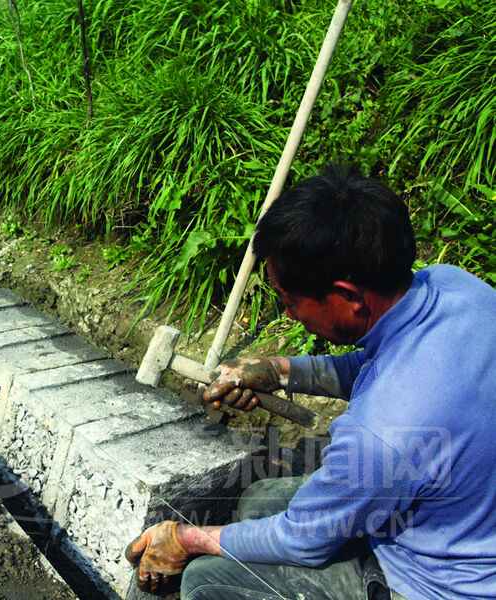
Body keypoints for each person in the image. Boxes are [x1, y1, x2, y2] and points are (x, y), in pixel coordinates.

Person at [125, 165, 496, 599]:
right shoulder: (456, 288)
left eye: (291, 301)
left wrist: (187, 539)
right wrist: (280, 370)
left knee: (207, 580)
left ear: (349, 297)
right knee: (260, 499)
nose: (288, 315)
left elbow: (302, 540)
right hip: (464, 514)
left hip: (439, 585)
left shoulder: (382, 433)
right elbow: (384, 368)